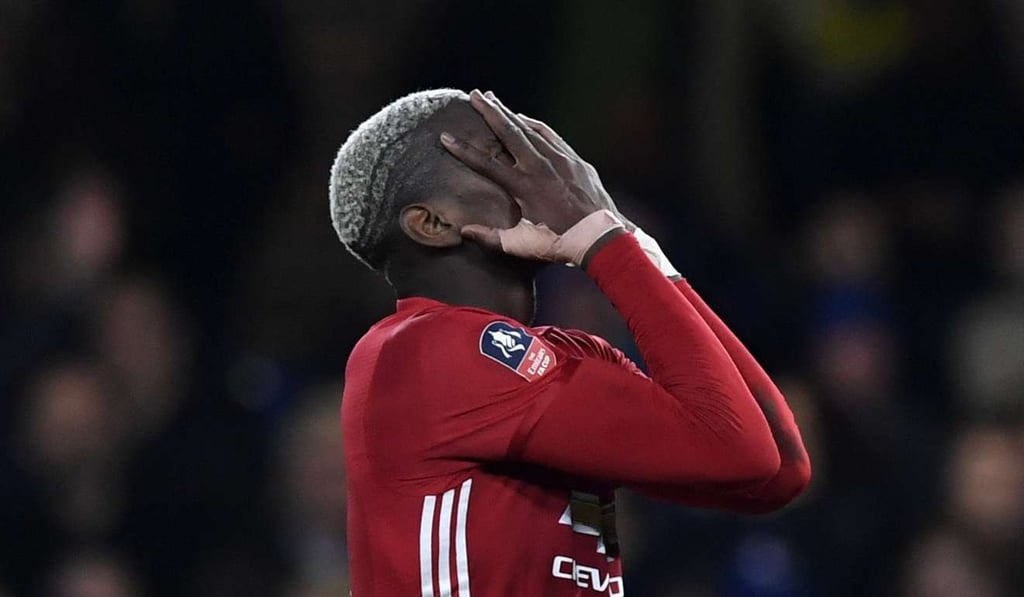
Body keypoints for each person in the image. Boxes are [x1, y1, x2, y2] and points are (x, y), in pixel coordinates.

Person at [329, 88, 811, 596]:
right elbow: (740, 450)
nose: (546, 176)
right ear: (432, 224)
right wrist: (605, 245)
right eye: (500, 157)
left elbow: (775, 471)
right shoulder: (419, 350)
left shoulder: (572, 356)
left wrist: (631, 242)